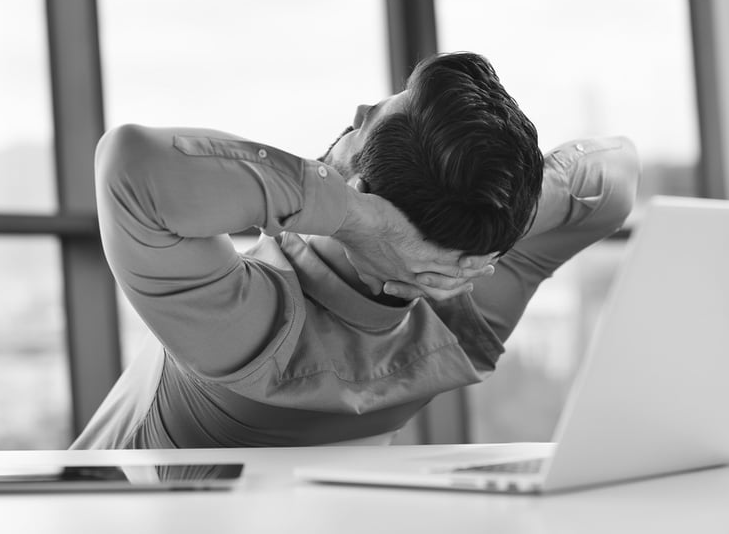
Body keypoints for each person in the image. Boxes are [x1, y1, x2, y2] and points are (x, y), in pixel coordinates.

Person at [71, 52, 640, 449]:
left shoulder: (253, 326)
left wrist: (359, 221)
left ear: (364, 196)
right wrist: (491, 223)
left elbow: (131, 165)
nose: (361, 109)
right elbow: (616, 175)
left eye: (367, 124)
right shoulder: (467, 322)